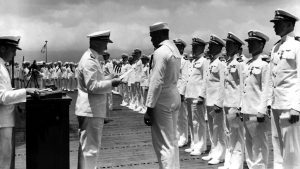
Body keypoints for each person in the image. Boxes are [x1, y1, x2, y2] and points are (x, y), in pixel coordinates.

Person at [75, 30, 121, 169]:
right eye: (105, 43)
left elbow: (94, 81)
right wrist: (112, 83)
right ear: (96, 42)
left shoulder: (91, 58)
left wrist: (109, 79)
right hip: (91, 110)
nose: (106, 46)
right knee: (90, 150)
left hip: (90, 109)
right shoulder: (89, 60)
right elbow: (92, 86)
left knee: (86, 149)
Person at [263, 9, 300, 169]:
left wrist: (296, 107)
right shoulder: (276, 48)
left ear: (290, 24)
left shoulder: (297, 46)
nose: (274, 27)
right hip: (276, 104)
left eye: (278, 24)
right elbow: (272, 78)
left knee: (291, 149)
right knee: (277, 143)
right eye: (274, 24)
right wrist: (268, 102)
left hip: (289, 105)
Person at [144, 22, 181, 169]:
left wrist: (149, 108)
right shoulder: (174, 50)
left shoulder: (160, 52)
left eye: (153, 36)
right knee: (172, 141)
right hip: (173, 94)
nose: (151, 40)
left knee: (163, 144)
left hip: (162, 98)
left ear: (160, 35)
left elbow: (156, 82)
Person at [0, 36, 36, 169]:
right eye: (13, 50)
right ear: (3, 48)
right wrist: (25, 91)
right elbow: (2, 97)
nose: (15, 54)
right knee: (3, 161)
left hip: (5, 121)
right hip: (2, 122)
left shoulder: (2, 66)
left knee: (6, 159)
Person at [242, 30, 270, 169]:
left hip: (257, 110)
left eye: (253, 43)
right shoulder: (248, 64)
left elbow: (266, 88)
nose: (250, 46)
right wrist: (241, 107)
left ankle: (260, 167)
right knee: (249, 141)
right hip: (247, 109)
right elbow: (244, 88)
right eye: (249, 43)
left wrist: (262, 110)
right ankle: (251, 165)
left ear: (261, 44)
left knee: (259, 142)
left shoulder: (264, 64)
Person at [218, 32, 245, 169]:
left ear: (236, 46)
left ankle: (237, 164)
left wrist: (241, 105)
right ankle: (228, 162)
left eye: (229, 44)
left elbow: (242, 86)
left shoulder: (240, 63)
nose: (226, 47)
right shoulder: (228, 63)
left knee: (237, 135)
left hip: (235, 104)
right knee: (228, 134)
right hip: (227, 103)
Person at [201, 34, 226, 165]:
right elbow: (207, 82)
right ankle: (214, 151)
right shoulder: (211, 63)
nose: (209, 47)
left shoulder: (221, 64)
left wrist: (219, 102)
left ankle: (221, 154)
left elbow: (223, 84)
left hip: (216, 102)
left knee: (219, 129)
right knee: (211, 128)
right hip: (209, 101)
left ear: (218, 47)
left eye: (211, 45)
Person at [184, 37, 208, 156]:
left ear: (202, 48)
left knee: (199, 122)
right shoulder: (193, 62)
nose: (193, 49)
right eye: (193, 47)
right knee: (191, 121)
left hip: (197, 96)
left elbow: (205, 79)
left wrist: (202, 96)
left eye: (196, 47)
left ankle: (201, 146)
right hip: (190, 95)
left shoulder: (204, 61)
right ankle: (194, 143)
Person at [173, 38, 189, 148]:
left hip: (179, 92)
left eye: (178, 46)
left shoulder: (184, 62)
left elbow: (184, 78)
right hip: (172, 91)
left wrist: (182, 93)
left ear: (182, 48)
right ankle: (177, 136)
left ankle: (183, 137)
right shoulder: (173, 60)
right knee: (175, 116)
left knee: (182, 116)